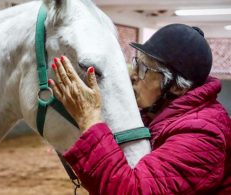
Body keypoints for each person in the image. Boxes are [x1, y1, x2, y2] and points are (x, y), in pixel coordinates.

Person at [48, 24, 231, 194]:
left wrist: (89, 119)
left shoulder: (202, 135)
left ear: (177, 87)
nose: (133, 75)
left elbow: (133, 190)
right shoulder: (157, 112)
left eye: (144, 69)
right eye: (136, 63)